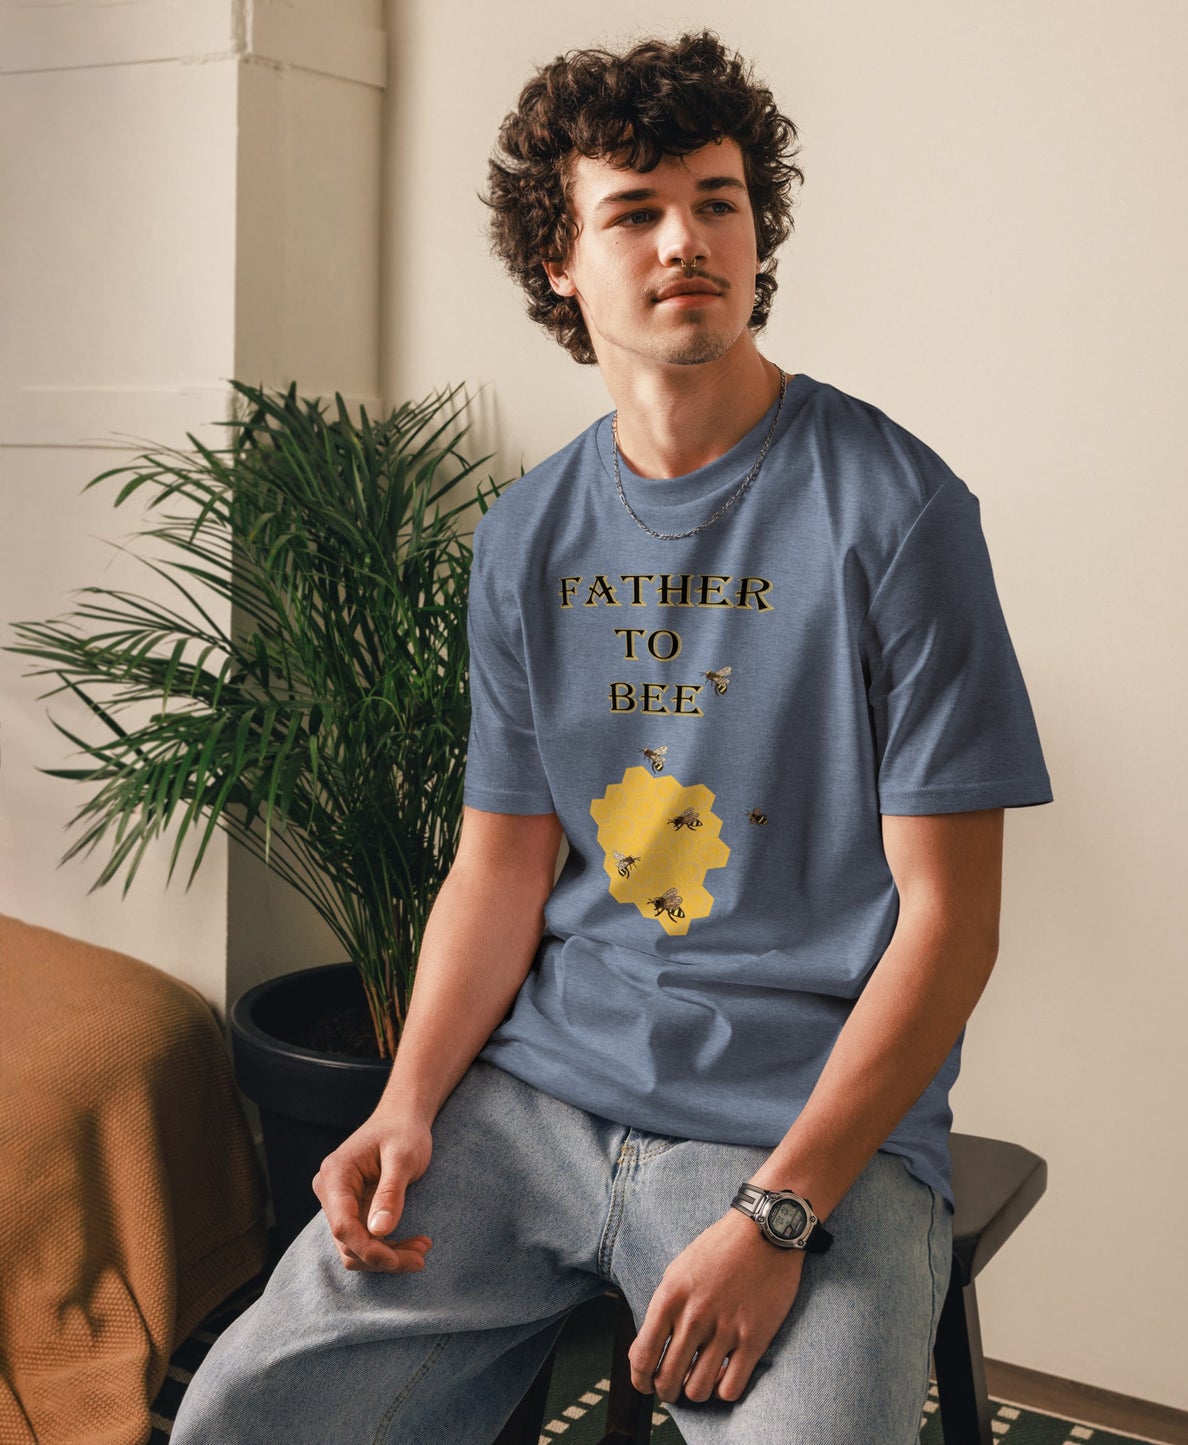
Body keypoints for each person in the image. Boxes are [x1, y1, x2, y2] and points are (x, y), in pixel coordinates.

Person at [172, 30, 1052, 1445]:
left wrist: (776, 1214)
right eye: (632, 211)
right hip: (530, 1106)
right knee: (239, 1413)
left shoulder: (897, 514)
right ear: (558, 269)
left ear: (759, 233)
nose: (684, 239)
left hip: (796, 1127)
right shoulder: (525, 536)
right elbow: (500, 869)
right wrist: (407, 1106)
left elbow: (950, 925)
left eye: (716, 200)